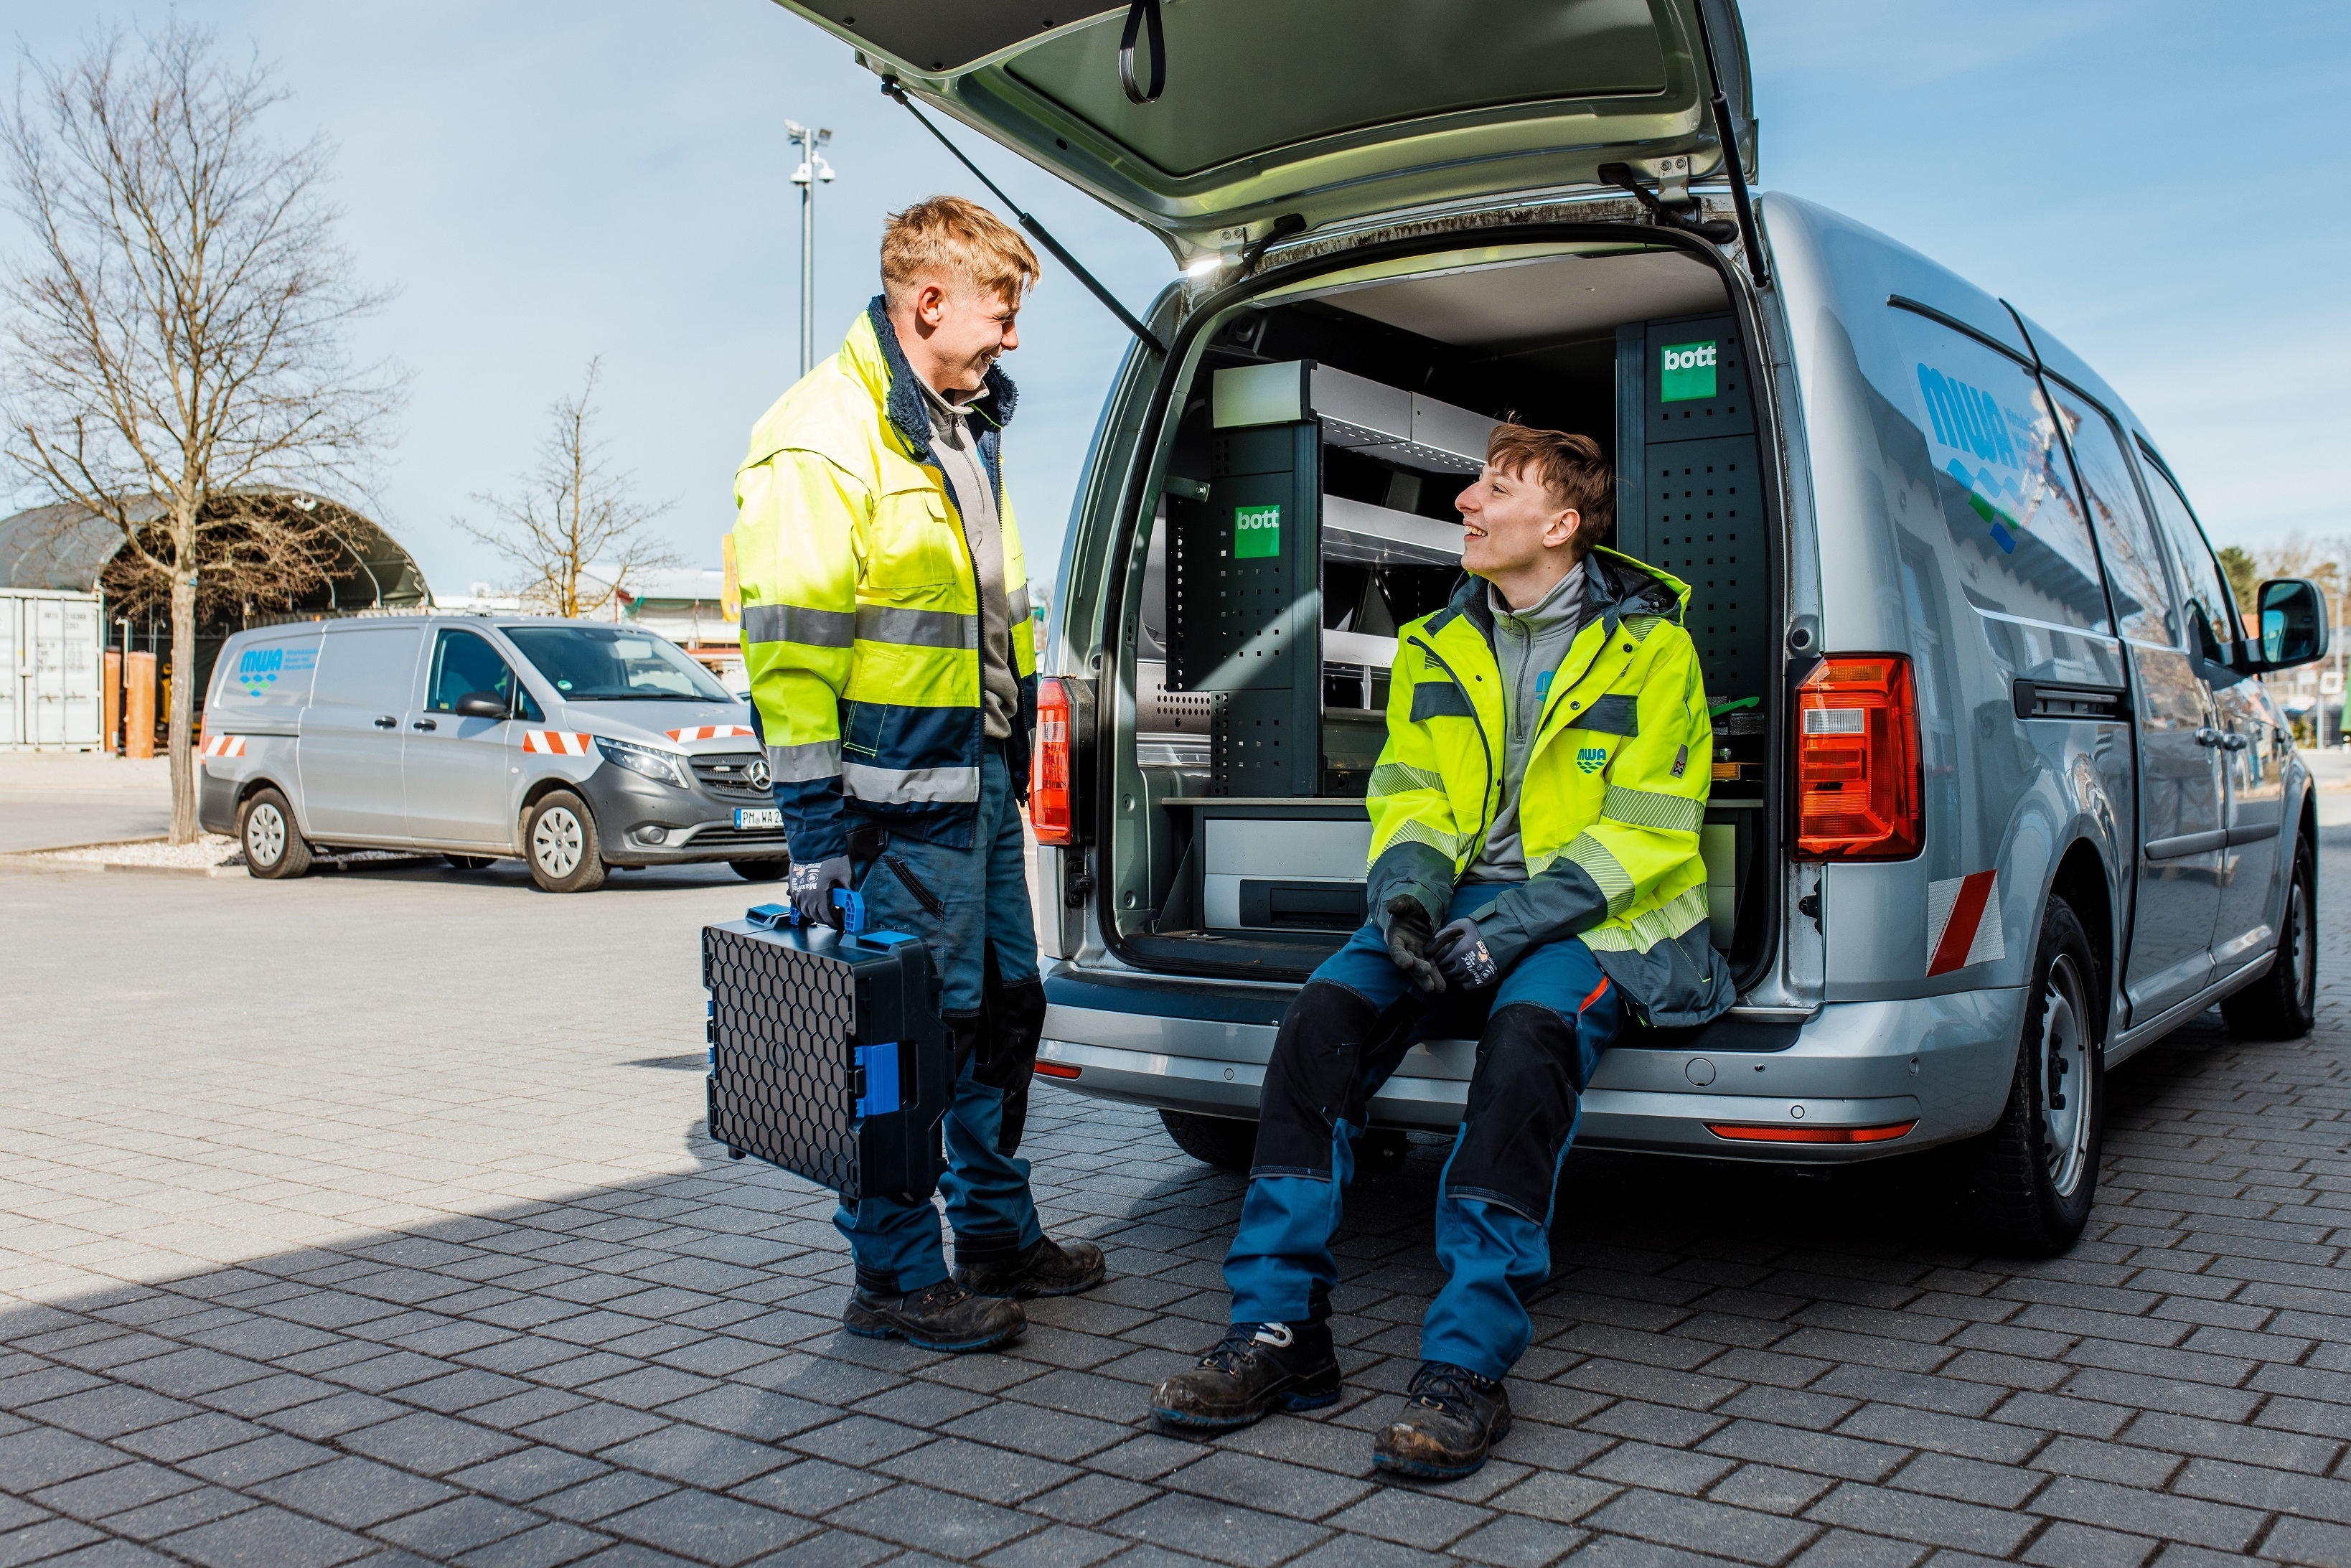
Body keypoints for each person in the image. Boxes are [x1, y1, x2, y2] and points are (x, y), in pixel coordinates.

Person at [1150, 425, 1732, 1476]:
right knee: (1321, 1017)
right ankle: (1283, 1332)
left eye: (1494, 488)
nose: (1466, 502)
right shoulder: (1437, 642)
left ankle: (1465, 1366)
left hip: (1603, 916)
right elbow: (1412, 797)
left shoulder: (1656, 649)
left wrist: (1502, 931)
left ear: (1559, 525)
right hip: (1461, 902)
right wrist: (1408, 905)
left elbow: (1648, 834)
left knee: (1525, 1035)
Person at [729, 196, 1104, 1354]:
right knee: (908, 1037)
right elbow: (790, 656)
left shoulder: (957, 423)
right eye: (1004, 309)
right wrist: (813, 828)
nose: (1015, 336)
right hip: (892, 812)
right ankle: (891, 1274)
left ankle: (993, 1230)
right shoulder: (822, 438)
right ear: (928, 301)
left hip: (976, 782)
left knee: (1004, 1008)